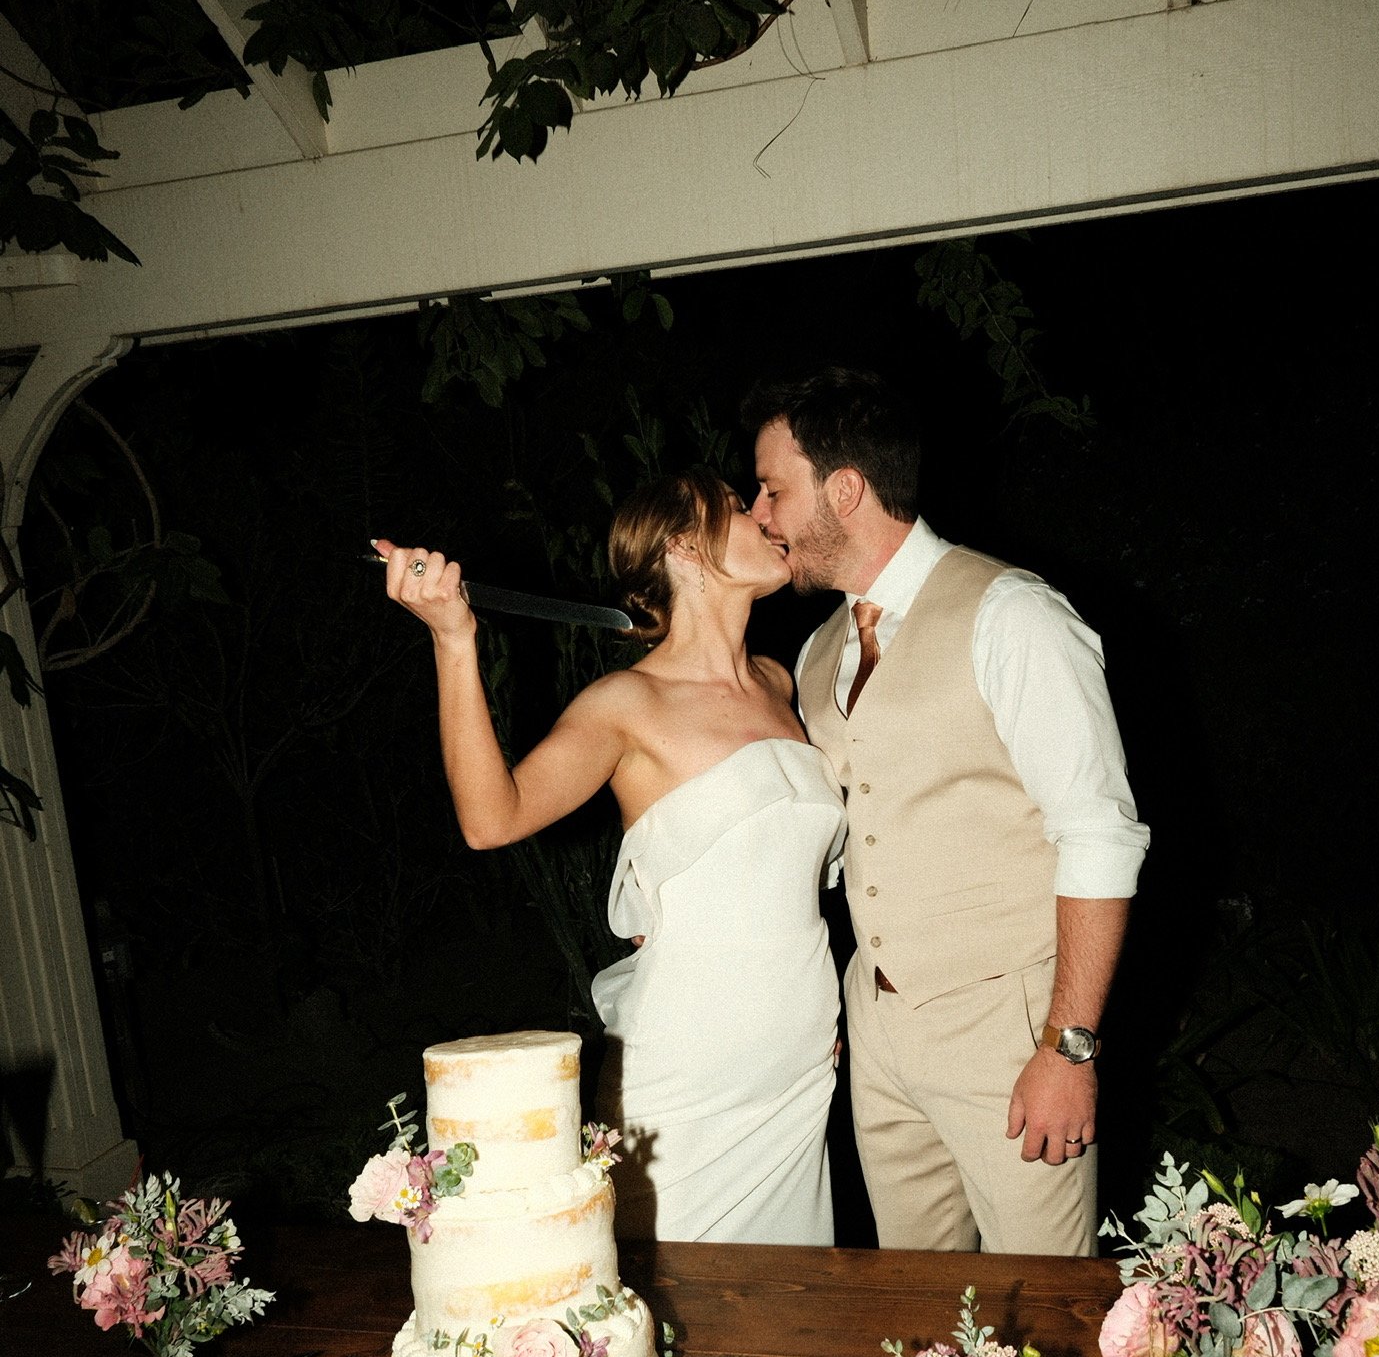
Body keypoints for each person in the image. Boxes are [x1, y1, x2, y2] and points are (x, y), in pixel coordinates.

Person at [374, 469, 845, 1245]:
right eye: (737, 507)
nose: (765, 516)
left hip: (796, 1064)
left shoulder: (777, 681)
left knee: (796, 1308)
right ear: (685, 548)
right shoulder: (625, 705)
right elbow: (491, 820)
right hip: (689, 1066)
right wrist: (452, 639)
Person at [746, 368, 1149, 1256]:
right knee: (919, 1314)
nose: (760, 513)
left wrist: (1068, 1049)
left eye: (774, 489)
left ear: (844, 490)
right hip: (877, 1027)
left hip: (1009, 1029)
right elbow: (845, 847)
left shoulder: (1013, 616)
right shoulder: (817, 654)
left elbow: (1099, 835)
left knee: (1043, 1316)